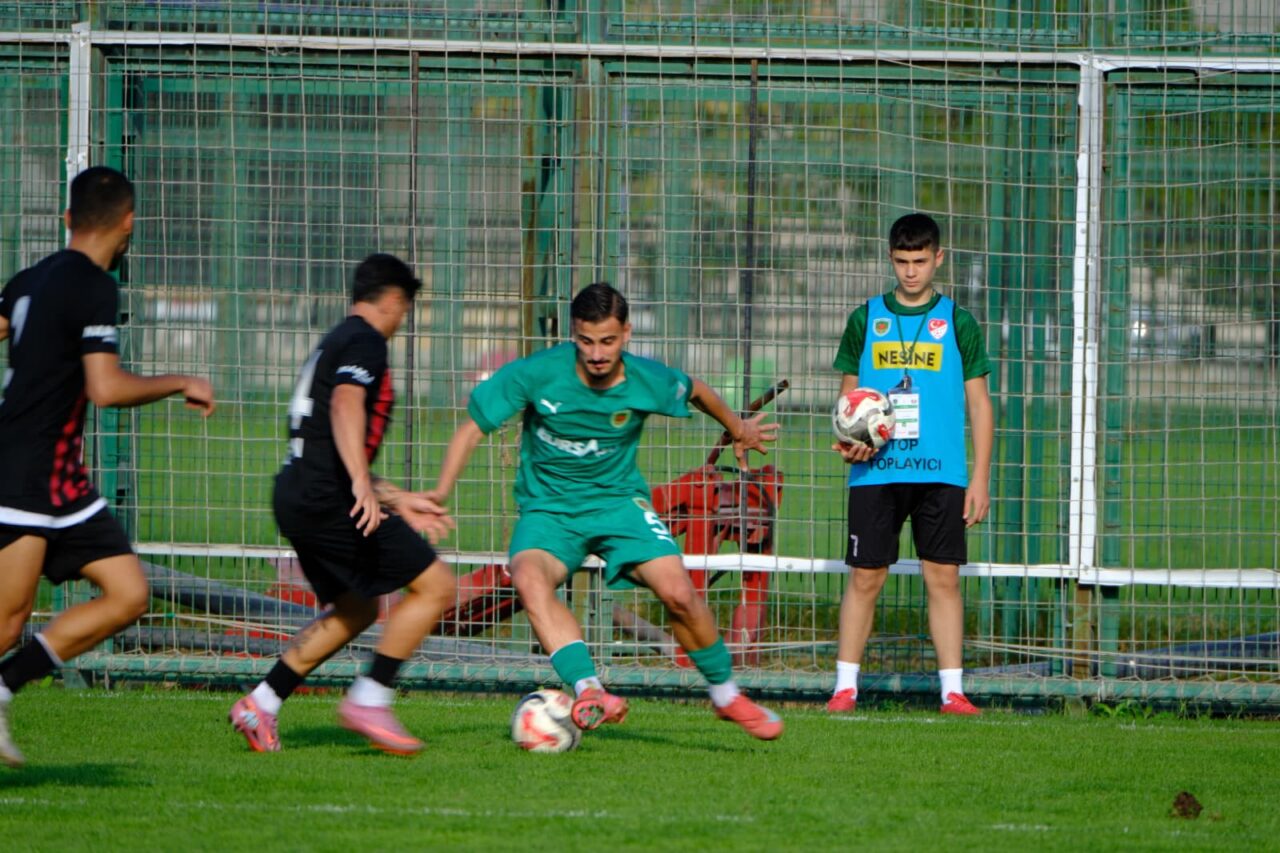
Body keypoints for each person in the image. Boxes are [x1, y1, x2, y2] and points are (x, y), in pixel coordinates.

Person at [430, 282, 784, 741]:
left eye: (608, 341)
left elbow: (695, 389)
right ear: (573, 334)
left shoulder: (645, 380)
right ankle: (589, 689)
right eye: (586, 341)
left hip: (619, 506)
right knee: (529, 578)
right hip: (549, 511)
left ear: (627, 334)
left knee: (678, 590)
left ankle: (725, 695)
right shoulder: (538, 373)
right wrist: (438, 494)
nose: (597, 353)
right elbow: (472, 429)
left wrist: (737, 427)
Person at [0, 166, 216, 767]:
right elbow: (105, 387)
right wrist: (181, 380)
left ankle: (1, 689)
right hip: (25, 473)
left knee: (128, 593)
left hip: (60, 478)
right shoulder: (94, 285)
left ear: (67, 218)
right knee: (7, 620)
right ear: (128, 224)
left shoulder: (30, 279)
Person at [229, 253, 455, 756]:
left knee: (357, 608)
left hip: (297, 493)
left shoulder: (336, 338)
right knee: (436, 585)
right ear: (395, 301)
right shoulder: (366, 342)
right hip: (328, 498)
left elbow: (324, 439)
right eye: (406, 309)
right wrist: (359, 484)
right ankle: (370, 699)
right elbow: (346, 405)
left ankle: (261, 703)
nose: (403, 321)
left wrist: (394, 497)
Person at [828, 212, 993, 716]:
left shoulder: (959, 323)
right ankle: (844, 688)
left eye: (920, 261)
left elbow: (980, 403)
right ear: (890, 259)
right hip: (877, 471)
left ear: (938, 258)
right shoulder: (866, 318)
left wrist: (980, 477)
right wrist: (849, 438)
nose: (911, 272)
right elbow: (848, 399)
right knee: (865, 577)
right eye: (901, 261)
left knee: (942, 578)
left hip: (941, 471)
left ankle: (952, 691)